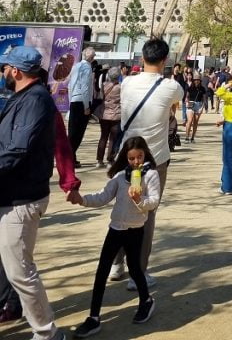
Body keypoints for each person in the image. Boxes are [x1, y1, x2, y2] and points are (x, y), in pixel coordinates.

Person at [0, 46, 65, 340]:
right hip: (10, 194)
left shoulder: (36, 101)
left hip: (22, 198)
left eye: (5, 68)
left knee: (21, 272)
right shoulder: (23, 97)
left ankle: (47, 333)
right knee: (13, 267)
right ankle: (13, 307)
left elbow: (17, 149)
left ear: (15, 71)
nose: (3, 73)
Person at [68, 136, 161, 336]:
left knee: (135, 269)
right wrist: (81, 200)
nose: (136, 162)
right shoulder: (120, 176)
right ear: (125, 158)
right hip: (116, 229)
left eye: (140, 157)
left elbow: (153, 201)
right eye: (131, 158)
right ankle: (94, 317)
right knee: (102, 271)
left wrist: (139, 199)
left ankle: (146, 300)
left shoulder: (151, 175)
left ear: (145, 155)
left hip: (135, 230)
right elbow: (103, 196)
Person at [110, 37, 183, 288]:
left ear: (142, 58)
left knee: (123, 208)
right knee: (146, 212)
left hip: (127, 155)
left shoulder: (127, 81)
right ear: (165, 61)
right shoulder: (170, 86)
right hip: (154, 158)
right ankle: (138, 272)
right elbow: (176, 102)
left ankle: (117, 264)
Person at [68, 45, 96, 166]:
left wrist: (71, 100)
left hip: (74, 99)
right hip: (82, 101)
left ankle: (71, 156)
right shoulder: (86, 67)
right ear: (91, 57)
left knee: (72, 131)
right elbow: (85, 87)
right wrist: (86, 106)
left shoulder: (76, 66)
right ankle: (70, 157)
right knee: (78, 133)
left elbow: (70, 85)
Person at [95, 66, 121, 168]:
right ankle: (110, 160)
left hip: (104, 114)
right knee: (113, 139)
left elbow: (101, 97)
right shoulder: (120, 87)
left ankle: (99, 160)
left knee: (103, 137)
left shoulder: (104, 85)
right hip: (116, 115)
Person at [185, 74, 206, 142]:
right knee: (190, 120)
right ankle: (187, 137)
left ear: (200, 81)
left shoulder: (202, 89)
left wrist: (202, 107)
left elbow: (204, 99)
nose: (197, 81)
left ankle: (192, 137)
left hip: (199, 105)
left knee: (195, 122)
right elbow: (187, 96)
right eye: (195, 80)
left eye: (198, 80)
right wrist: (187, 102)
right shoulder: (190, 88)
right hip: (191, 104)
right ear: (193, 80)